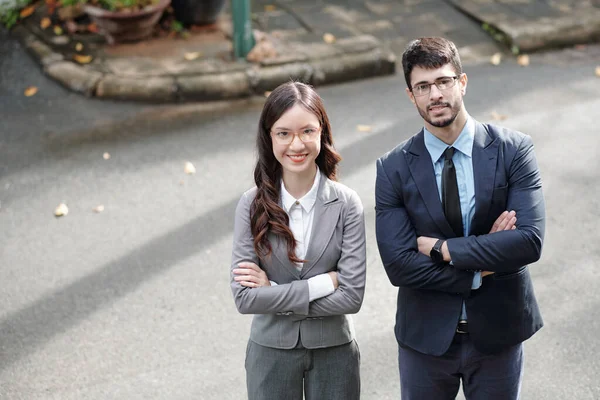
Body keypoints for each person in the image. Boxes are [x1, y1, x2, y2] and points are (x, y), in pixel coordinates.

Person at [375, 37, 546, 399]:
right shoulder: (392, 168)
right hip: (424, 340)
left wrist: (444, 249)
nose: (434, 94)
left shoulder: (513, 150)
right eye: (423, 86)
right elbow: (399, 266)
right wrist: (481, 265)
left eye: (443, 81)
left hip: (498, 334)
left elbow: (528, 241)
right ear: (411, 95)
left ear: (462, 82)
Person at [230, 81, 367, 400]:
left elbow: (352, 298)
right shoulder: (251, 205)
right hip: (270, 352)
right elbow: (245, 299)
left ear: (322, 133)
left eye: (307, 131)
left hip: (334, 350)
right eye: (284, 133)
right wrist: (322, 285)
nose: (296, 144)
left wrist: (274, 293)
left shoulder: (347, 203)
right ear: (269, 137)